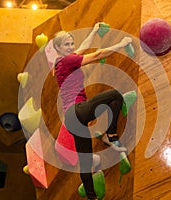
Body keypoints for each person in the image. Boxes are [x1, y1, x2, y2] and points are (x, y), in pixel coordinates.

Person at [52, 22, 132, 200]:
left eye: (71, 43)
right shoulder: (67, 60)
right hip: (78, 110)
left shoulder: (62, 62)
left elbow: (82, 48)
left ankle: (91, 197)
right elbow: (98, 54)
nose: (71, 47)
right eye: (66, 44)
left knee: (86, 162)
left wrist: (94, 31)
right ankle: (111, 135)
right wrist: (122, 44)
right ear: (58, 47)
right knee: (115, 95)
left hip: (72, 119)